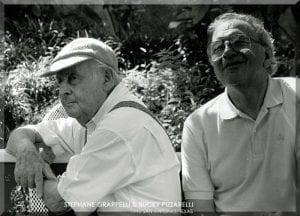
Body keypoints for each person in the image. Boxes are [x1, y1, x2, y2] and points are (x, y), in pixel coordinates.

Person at [5, 37, 181, 215]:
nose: (63, 91)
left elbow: (58, 201)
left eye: (73, 78)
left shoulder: (119, 126)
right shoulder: (93, 120)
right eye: (60, 81)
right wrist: (26, 150)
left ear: (107, 78)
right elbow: (26, 133)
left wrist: (37, 172)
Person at [181, 12, 299, 212]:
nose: (228, 52)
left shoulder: (295, 96)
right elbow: (200, 207)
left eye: (238, 41)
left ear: (267, 53)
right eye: (218, 48)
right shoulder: (198, 124)